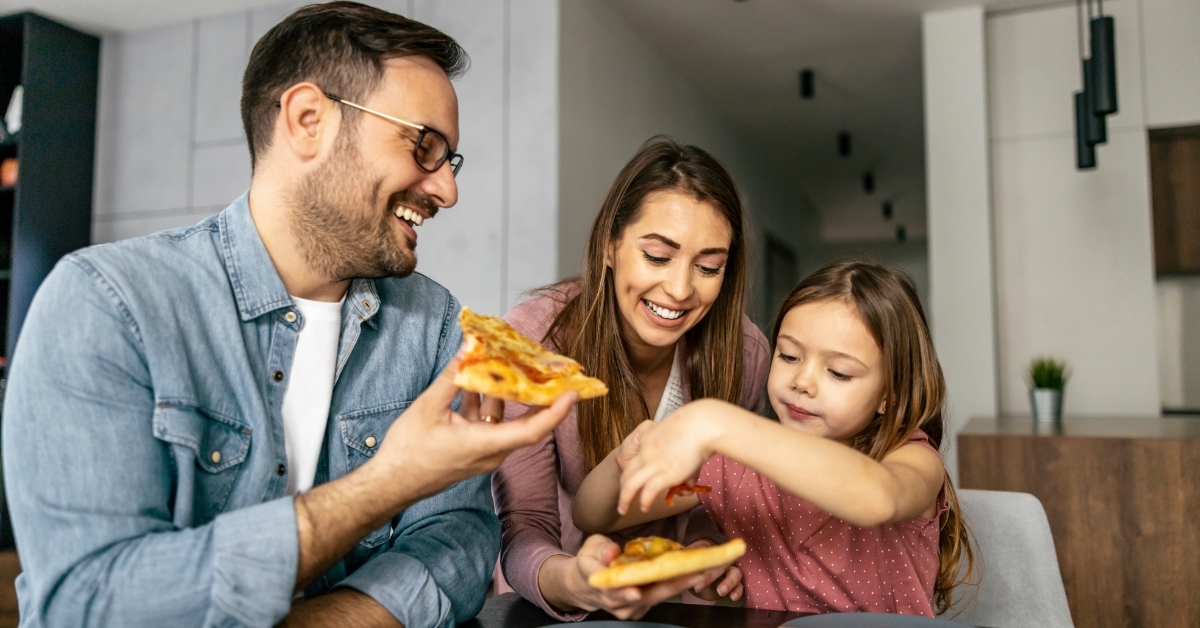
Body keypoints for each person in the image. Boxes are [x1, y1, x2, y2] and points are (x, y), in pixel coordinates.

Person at [1, 3, 575, 627]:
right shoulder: (106, 304)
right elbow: (90, 603)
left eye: (448, 160)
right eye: (424, 146)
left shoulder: (434, 322)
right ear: (307, 120)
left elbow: (458, 541)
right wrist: (386, 483)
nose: (447, 190)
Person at [574, 259, 975, 616]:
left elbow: (878, 497)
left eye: (838, 373)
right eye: (788, 356)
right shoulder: (735, 468)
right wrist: (625, 460)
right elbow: (593, 515)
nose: (802, 382)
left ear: (889, 394)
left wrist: (714, 420)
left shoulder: (913, 459)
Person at [492, 137, 770, 621]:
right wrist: (577, 582)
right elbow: (525, 526)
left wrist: (709, 548)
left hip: (678, 611)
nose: (680, 289)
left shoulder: (745, 356)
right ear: (609, 245)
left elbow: (719, 497)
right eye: (658, 257)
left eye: (708, 267)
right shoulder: (533, 341)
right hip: (551, 605)